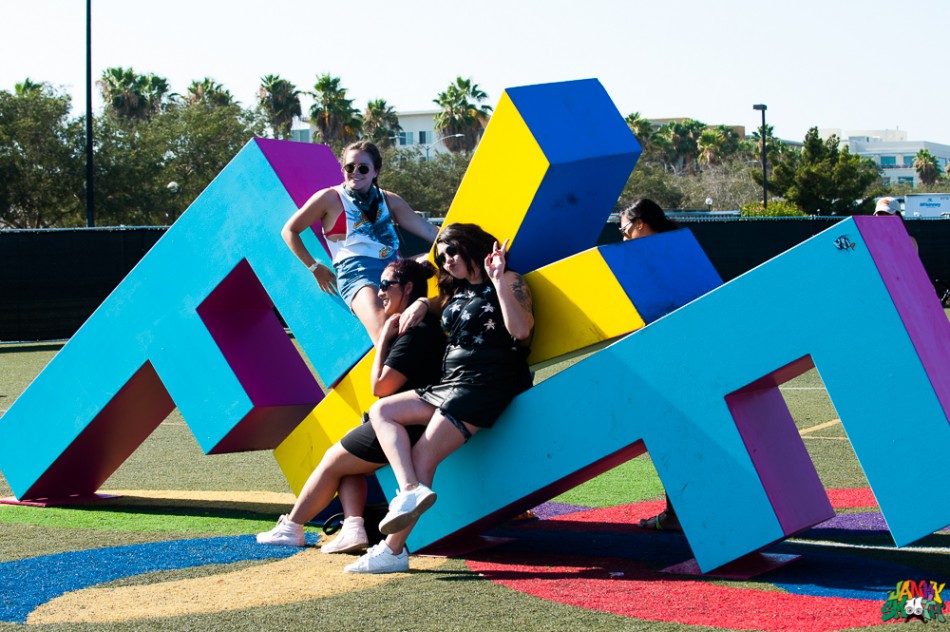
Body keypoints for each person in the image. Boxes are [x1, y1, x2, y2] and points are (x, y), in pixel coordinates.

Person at [344, 223, 535, 574]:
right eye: (442, 256)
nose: (447, 260)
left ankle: (393, 551)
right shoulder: (455, 292)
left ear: (470, 247)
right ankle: (409, 490)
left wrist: (496, 279)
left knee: (423, 455)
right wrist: (419, 303)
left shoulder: (508, 281)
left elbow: (521, 331)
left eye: (452, 252)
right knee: (382, 409)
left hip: (485, 384)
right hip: (451, 382)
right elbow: (436, 302)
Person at [256, 258, 445, 552]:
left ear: (407, 288)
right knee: (347, 464)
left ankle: (292, 526)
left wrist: (383, 339)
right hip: (406, 421)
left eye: (385, 285)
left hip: (401, 426)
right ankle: (354, 527)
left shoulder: (414, 331)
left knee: (332, 461)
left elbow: (381, 385)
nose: (379, 292)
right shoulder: (420, 321)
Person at [281, 140, 439, 342]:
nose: (356, 172)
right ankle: (383, 374)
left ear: (376, 171)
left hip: (394, 268)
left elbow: (427, 229)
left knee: (439, 258)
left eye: (363, 168)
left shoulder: (389, 199)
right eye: (350, 167)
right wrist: (314, 267)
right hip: (357, 273)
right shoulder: (330, 197)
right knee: (385, 328)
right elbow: (290, 230)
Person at [619, 199, 684, 531]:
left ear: (641, 223)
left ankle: (677, 513)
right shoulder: (680, 247)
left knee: (672, 434)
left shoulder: (659, 255)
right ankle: (676, 511)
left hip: (673, 358)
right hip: (667, 355)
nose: (625, 238)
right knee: (670, 435)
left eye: (626, 229)